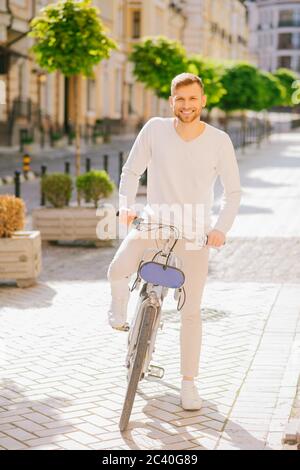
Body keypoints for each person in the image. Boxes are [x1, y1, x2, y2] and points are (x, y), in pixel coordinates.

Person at [106, 73, 241, 410]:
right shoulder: (154, 129)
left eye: (192, 99)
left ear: (203, 100)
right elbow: (131, 171)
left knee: (191, 311)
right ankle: (120, 310)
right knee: (117, 269)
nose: (186, 106)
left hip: (195, 236)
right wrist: (126, 205)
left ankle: (188, 384)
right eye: (180, 99)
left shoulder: (219, 140)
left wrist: (220, 228)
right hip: (154, 224)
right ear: (171, 102)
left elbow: (233, 191)